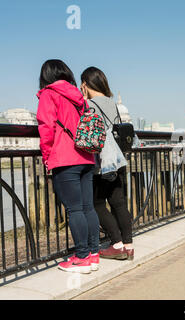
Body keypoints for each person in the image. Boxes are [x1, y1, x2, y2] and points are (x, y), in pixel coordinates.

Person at [36, 59, 100, 273]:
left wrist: (47, 157)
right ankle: (93, 254)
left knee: (74, 210)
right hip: (86, 157)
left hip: (65, 158)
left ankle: (81, 258)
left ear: (46, 76)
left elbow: (46, 128)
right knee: (87, 207)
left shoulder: (48, 94)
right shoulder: (78, 96)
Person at [80, 67, 134, 261]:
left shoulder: (89, 105)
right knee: (118, 203)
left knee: (97, 204)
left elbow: (86, 133)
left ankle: (116, 243)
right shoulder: (113, 104)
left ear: (85, 84)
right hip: (119, 159)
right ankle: (128, 245)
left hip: (103, 162)